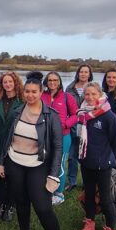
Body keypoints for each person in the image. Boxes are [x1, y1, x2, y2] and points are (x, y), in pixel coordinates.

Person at [0, 78, 67, 230]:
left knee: (43, 208)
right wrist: (1, 161)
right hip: (15, 163)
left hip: (37, 166)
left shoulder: (50, 116)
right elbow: (7, 137)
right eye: (27, 91)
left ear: (41, 91)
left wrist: (53, 175)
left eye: (34, 91)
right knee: (21, 202)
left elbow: (58, 147)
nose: (30, 95)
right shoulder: (18, 111)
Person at [76, 82, 116, 230]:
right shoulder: (83, 114)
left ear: (100, 95)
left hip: (102, 164)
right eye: (87, 94)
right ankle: (89, 225)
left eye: (93, 94)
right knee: (89, 194)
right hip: (86, 162)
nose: (89, 97)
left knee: (105, 197)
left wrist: (106, 156)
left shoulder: (108, 116)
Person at [0, 72, 23, 222]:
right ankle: (0, 204)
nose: (7, 84)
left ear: (15, 83)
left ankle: (10, 206)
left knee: (12, 176)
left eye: (10, 82)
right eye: (5, 82)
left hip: (15, 143)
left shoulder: (22, 101)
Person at [42, 71, 78, 205]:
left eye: (55, 80)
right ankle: (47, 189)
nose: (52, 82)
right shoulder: (41, 95)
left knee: (59, 165)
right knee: (45, 163)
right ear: (46, 82)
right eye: (50, 80)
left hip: (62, 136)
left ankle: (59, 193)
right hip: (44, 136)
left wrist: (65, 124)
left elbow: (76, 115)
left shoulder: (67, 97)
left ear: (59, 82)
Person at [65, 63, 93, 191]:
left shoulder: (94, 88)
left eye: (86, 72)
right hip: (73, 125)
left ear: (89, 74)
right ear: (78, 73)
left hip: (88, 126)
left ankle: (89, 183)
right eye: (81, 72)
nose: (83, 74)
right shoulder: (70, 88)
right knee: (72, 155)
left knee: (87, 155)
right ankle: (72, 181)